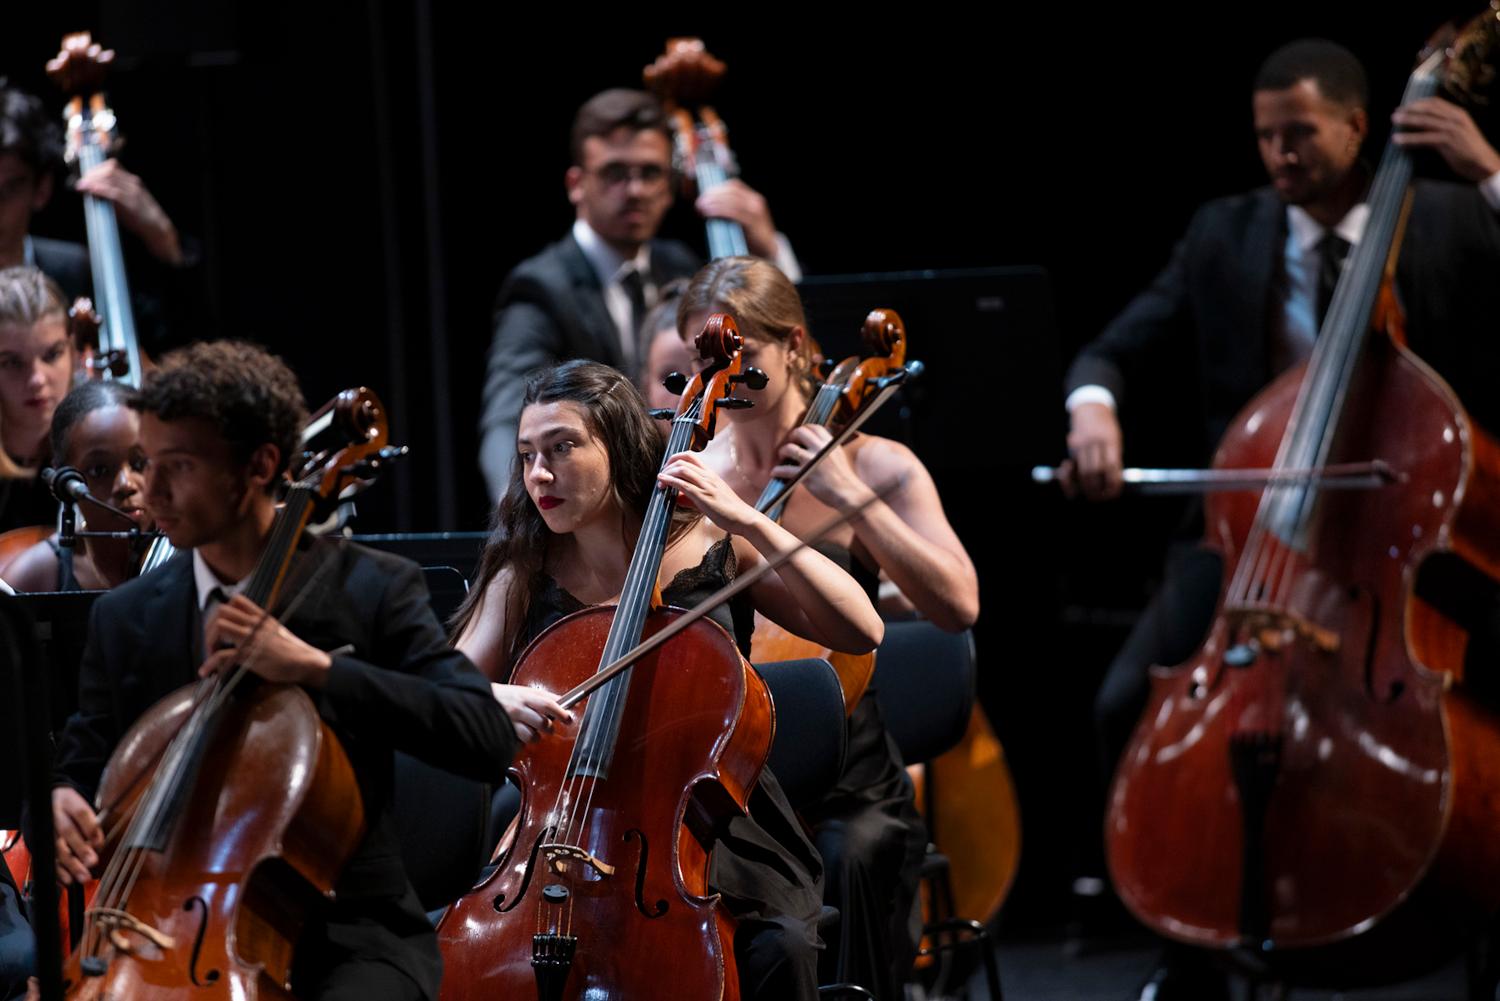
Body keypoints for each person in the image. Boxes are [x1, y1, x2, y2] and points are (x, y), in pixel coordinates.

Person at [1059, 39, 1500, 1001]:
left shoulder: (1457, 216)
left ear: (1357, 125)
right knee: (1119, 703)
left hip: (1408, 539)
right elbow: (1115, 345)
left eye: (1299, 133)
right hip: (1249, 539)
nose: (1280, 156)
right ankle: (1195, 950)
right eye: (1265, 137)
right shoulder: (1227, 230)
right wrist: (1092, 406)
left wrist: (1496, 174)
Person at [49, 340, 517, 1000]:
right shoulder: (126, 616)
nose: (147, 491)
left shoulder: (371, 588)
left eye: (175, 467)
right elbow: (87, 758)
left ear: (259, 466)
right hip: (161, 929)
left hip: (349, 934)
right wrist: (63, 796)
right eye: (147, 464)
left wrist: (318, 668)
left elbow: (483, 732)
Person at [452, 359, 885, 1000]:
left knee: (780, 948)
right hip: (565, 825)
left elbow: (861, 628)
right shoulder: (524, 570)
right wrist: (488, 695)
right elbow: (445, 689)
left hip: (711, 827)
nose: (538, 475)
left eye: (562, 448)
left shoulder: (711, 541)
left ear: (620, 445)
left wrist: (749, 520)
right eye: (526, 455)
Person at [678, 256, 979, 997]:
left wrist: (852, 498)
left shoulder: (876, 464)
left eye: (744, 349)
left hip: (849, 776)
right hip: (735, 764)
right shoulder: (693, 475)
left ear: (796, 347)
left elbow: (958, 605)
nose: (727, 368)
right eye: (708, 351)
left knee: (856, 850)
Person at [477, 87, 800, 499]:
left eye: (650, 173)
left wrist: (769, 249)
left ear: (670, 183)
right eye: (615, 173)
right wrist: (529, 528)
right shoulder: (541, 288)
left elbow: (782, 342)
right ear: (576, 184)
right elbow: (509, 418)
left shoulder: (684, 267)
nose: (635, 190)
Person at [5, 380, 149, 591]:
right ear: (61, 478)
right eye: (100, 470)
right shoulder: (33, 576)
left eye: (140, 464)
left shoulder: (195, 553)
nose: (126, 484)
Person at [0, 266, 74, 535]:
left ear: (72, 349)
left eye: (52, 355)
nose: (37, 380)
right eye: (12, 362)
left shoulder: (97, 447)